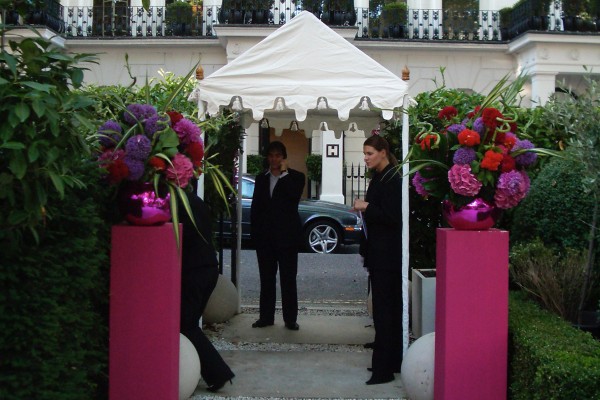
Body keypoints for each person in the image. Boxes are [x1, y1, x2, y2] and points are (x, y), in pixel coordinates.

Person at [352, 135, 403, 385]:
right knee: (384, 311)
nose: (366, 157)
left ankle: (384, 368)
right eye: (364, 153)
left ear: (383, 152)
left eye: (370, 153)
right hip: (378, 253)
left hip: (387, 256)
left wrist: (365, 207)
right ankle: (389, 362)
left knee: (385, 312)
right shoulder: (380, 177)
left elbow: (392, 216)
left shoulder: (392, 178)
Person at [179, 190, 235, 392]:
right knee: (187, 322)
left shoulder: (176, 203)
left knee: (185, 323)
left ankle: (218, 373)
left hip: (193, 271)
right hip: (207, 268)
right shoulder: (195, 201)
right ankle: (214, 373)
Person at [250, 141, 305, 330]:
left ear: (284, 157)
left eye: (278, 155)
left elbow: (293, 197)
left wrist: (284, 174)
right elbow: (256, 208)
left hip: (287, 238)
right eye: (271, 155)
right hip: (265, 238)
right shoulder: (261, 179)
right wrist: (255, 235)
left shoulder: (296, 177)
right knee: (266, 278)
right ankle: (266, 316)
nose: (274, 159)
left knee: (288, 279)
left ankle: (290, 319)